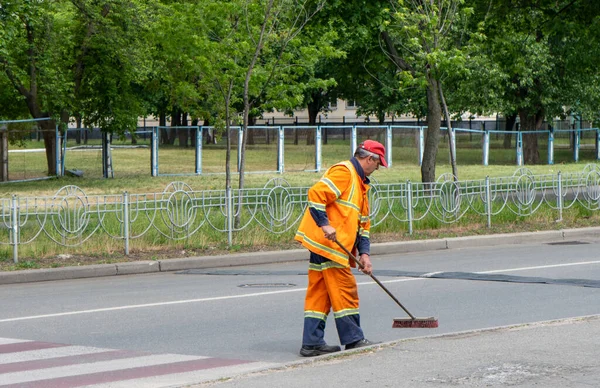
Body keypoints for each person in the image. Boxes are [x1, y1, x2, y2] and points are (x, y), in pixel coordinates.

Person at [294, 139, 387, 357]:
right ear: (368, 159)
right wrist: (324, 224)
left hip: (327, 247)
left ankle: (312, 343)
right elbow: (316, 194)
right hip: (329, 245)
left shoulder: (361, 185)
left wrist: (365, 254)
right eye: (378, 163)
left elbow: (363, 225)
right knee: (345, 291)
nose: (378, 168)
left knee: (320, 294)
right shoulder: (344, 172)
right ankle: (354, 339)